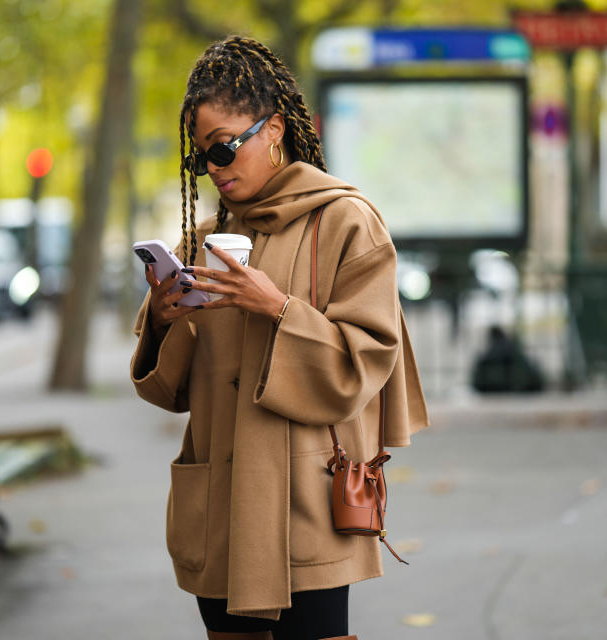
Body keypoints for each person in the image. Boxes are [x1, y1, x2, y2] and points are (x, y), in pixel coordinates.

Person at [130, 36, 428, 640]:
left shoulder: (347, 221)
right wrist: (163, 320)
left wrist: (279, 308)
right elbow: (169, 390)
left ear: (274, 129)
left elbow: (366, 359)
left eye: (224, 147)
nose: (215, 168)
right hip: (220, 505)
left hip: (306, 505)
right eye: (200, 158)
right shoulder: (202, 238)